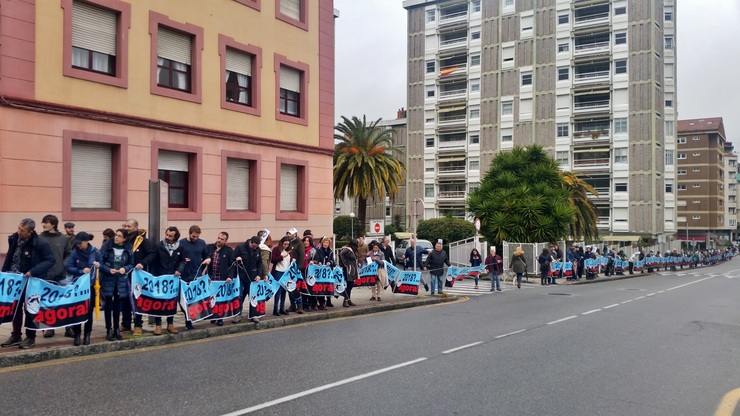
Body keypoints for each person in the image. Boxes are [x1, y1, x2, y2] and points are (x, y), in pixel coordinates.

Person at [1, 218, 55, 349]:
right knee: (15, 308)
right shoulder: (14, 238)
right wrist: (4, 272)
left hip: (31, 281)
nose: (18, 231)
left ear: (30, 232)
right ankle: (16, 335)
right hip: (14, 280)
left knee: (31, 309)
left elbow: (50, 260)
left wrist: (32, 271)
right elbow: (10, 257)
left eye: (22, 230)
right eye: (18, 228)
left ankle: (30, 337)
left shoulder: (39, 243)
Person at [38, 214, 73, 338]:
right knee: (46, 303)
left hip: (61, 275)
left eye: (46, 222)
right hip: (45, 276)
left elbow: (69, 253)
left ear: (53, 224)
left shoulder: (63, 239)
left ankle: (69, 328)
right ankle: (48, 328)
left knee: (65, 302)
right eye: (43, 222)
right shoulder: (39, 238)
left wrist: (63, 265)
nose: (43, 225)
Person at [65, 232, 101, 346]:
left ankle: (87, 335)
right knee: (77, 310)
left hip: (90, 286)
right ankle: (77, 335)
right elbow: (69, 267)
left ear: (86, 242)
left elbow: (103, 266)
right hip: (78, 286)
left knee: (88, 311)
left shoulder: (95, 252)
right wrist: (80, 271)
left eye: (80, 243)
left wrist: (98, 266)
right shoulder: (75, 252)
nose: (78, 245)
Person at [123, 219, 157, 336]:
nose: (126, 228)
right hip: (124, 274)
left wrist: (142, 263)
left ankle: (138, 325)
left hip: (138, 276)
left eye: (129, 226)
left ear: (136, 228)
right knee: (125, 300)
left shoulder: (143, 241)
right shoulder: (123, 239)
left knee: (137, 300)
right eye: (125, 226)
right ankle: (125, 323)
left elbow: (152, 253)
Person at [99, 229, 134, 341]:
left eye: (119, 236)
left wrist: (125, 268)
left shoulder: (128, 248)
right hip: (108, 279)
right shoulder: (107, 246)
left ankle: (116, 329)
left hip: (121, 280)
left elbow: (131, 263)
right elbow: (100, 262)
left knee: (118, 306)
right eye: (116, 235)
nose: (116, 237)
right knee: (108, 305)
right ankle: (108, 329)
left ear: (124, 238)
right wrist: (108, 270)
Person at [151, 226, 186, 335]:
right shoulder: (159, 245)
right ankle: (158, 325)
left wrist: (179, 270)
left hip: (173, 278)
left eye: (170, 236)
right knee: (158, 302)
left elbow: (183, 261)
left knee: (171, 301)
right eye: (166, 234)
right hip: (160, 277)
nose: (167, 237)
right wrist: (153, 276)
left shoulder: (180, 247)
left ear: (175, 237)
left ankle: (170, 324)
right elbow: (153, 261)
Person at [179, 225, 210, 329]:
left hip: (197, 273)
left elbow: (206, 255)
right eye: (193, 236)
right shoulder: (182, 243)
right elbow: (177, 257)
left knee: (195, 298)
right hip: (185, 274)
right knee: (184, 299)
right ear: (189, 233)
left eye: (197, 236)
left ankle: (192, 318)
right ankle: (187, 320)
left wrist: (208, 259)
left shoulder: (201, 243)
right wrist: (183, 261)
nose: (195, 238)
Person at [206, 231, 235, 326]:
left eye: (222, 239)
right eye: (218, 238)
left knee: (221, 300)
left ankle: (220, 318)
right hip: (211, 278)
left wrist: (230, 276)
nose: (219, 240)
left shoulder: (229, 251)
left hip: (222, 279)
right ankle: (213, 316)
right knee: (212, 298)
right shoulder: (210, 248)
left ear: (226, 240)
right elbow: (204, 260)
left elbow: (232, 266)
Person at [232, 236, 263, 323]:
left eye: (256, 246)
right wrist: (236, 259)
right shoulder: (240, 247)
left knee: (252, 296)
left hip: (252, 277)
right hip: (241, 276)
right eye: (254, 246)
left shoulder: (257, 249)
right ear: (250, 242)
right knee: (239, 296)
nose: (255, 248)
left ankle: (254, 315)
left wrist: (259, 275)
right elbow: (232, 258)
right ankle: (237, 315)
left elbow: (260, 263)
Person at [310, 236, 336, 308]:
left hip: (327, 273)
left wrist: (330, 262)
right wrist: (318, 262)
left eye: (327, 242)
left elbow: (334, 262)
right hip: (319, 272)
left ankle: (323, 302)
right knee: (318, 287)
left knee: (325, 287)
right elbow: (316, 259)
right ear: (322, 243)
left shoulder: (330, 251)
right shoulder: (318, 250)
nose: (325, 244)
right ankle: (316, 303)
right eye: (324, 242)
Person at [271, 236, 293, 316]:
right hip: (278, 271)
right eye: (284, 244)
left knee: (284, 290)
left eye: (287, 244)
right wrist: (281, 257)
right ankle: (275, 308)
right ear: (281, 243)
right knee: (278, 290)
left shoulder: (289, 251)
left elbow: (290, 260)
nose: (286, 246)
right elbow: (273, 260)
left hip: (286, 272)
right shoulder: (276, 249)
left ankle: (282, 308)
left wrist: (293, 260)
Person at [287, 228, 305, 313]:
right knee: (290, 287)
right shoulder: (288, 243)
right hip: (289, 269)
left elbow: (302, 256)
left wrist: (299, 267)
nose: (288, 235)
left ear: (295, 234)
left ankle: (300, 305)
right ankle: (292, 305)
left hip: (296, 269)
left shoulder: (299, 243)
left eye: (290, 234)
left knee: (297, 288)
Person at [337, 239, 359, 307]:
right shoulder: (347, 249)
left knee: (351, 284)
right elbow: (341, 254)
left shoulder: (351, 251)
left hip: (352, 270)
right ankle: (345, 300)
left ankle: (348, 299)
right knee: (349, 285)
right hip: (348, 270)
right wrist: (345, 264)